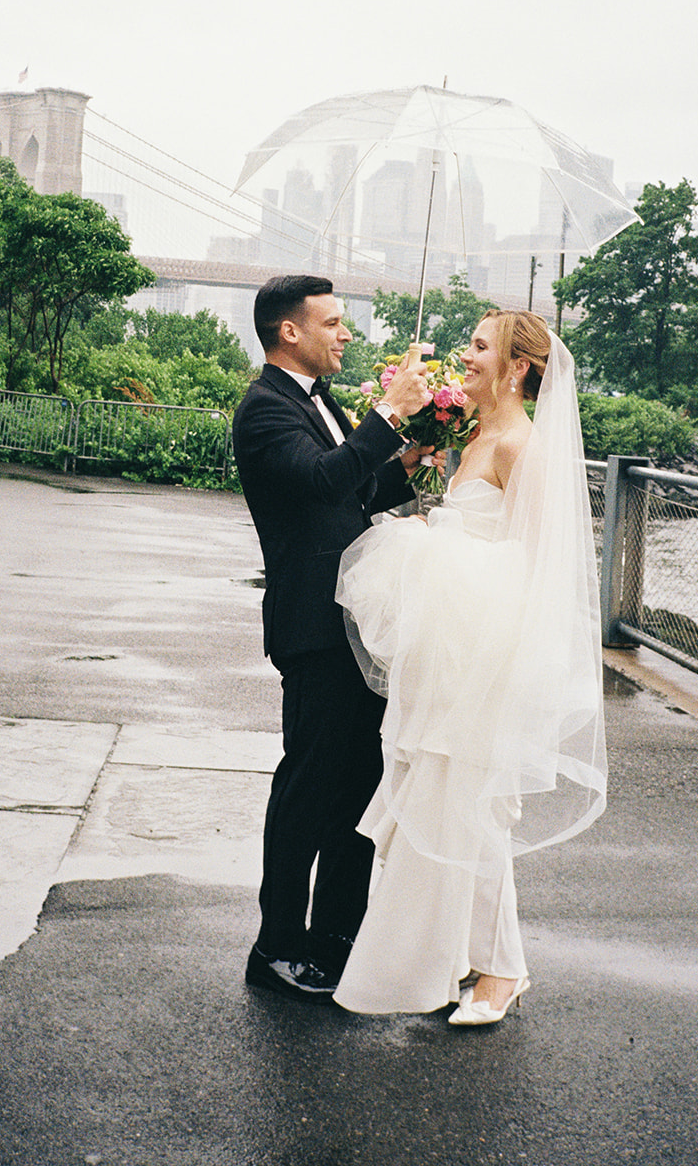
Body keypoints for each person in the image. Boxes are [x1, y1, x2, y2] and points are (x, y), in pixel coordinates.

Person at [333, 309, 607, 1024]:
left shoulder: (523, 444)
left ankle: (498, 972)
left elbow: (534, 566)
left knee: (473, 811)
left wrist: (437, 549)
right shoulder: (472, 434)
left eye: (482, 347)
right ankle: (492, 968)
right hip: (448, 655)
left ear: (519, 368)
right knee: (457, 809)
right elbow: (473, 530)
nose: (469, 356)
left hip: (484, 657)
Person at [232, 274, 432, 1002]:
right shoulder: (264, 411)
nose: (346, 334)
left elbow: (352, 493)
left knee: (359, 786)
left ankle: (337, 942)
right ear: (291, 331)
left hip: (360, 626)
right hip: (315, 626)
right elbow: (317, 483)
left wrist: (400, 465)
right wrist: (386, 415)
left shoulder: (326, 404)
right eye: (334, 323)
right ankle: (277, 947)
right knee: (308, 788)